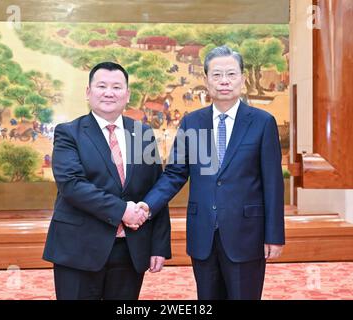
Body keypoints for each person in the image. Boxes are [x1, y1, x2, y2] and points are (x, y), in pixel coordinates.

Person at [137, 46, 285, 300]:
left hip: (247, 233)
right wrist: (147, 206)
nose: (224, 81)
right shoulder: (192, 122)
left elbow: (273, 183)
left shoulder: (262, 122)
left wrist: (274, 235)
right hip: (203, 233)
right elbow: (174, 173)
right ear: (206, 80)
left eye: (231, 74)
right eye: (216, 75)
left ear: (242, 78)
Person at [43, 62, 171, 300]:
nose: (109, 92)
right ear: (88, 92)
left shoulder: (143, 134)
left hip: (130, 250)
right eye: (101, 86)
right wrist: (122, 210)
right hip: (79, 248)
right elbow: (71, 185)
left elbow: (156, 188)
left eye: (116, 87)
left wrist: (159, 245)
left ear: (127, 95)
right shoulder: (69, 132)